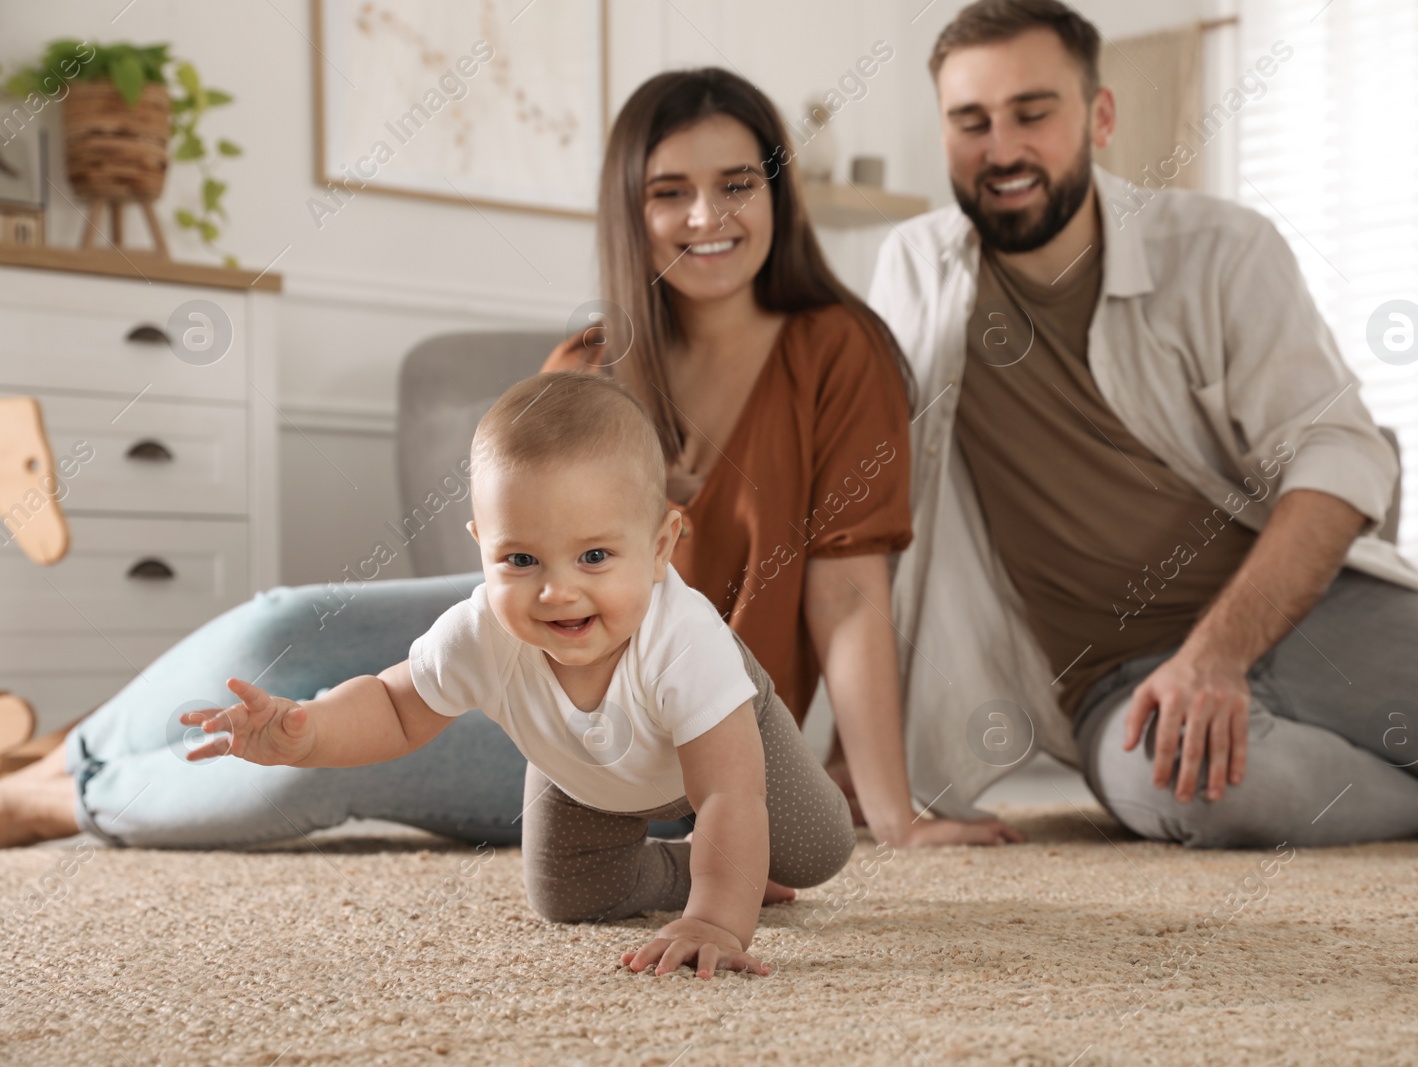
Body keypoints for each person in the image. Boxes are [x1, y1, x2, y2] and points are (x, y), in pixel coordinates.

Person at [0, 68, 1017, 851]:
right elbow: (514, 561)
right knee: (288, 624)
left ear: (776, 196)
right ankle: (70, 753)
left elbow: (847, 602)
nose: (707, 218)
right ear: (633, 207)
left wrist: (893, 813)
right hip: (532, 634)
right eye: (671, 191)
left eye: (736, 185)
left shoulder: (838, 350)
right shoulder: (589, 362)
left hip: (648, 731)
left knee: (319, 768)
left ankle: (62, 798)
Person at [866, 0, 1418, 846]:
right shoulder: (912, 270)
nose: (1002, 150)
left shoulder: (1222, 248)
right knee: (1209, 798)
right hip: (1116, 682)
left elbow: (1339, 452)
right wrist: (870, 757)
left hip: (1321, 617)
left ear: (1100, 116)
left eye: (1033, 113)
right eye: (972, 122)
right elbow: (878, 524)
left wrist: (1217, 654)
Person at [182, 372, 855, 977]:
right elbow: (393, 705)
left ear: (658, 548)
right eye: (521, 559)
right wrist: (310, 730)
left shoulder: (686, 641)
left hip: (729, 745)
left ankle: (731, 873)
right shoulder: (481, 632)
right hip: (584, 771)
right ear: (482, 546)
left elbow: (727, 795)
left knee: (812, 850)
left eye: (593, 555)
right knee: (569, 895)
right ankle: (689, 869)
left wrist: (717, 919)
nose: (556, 591)